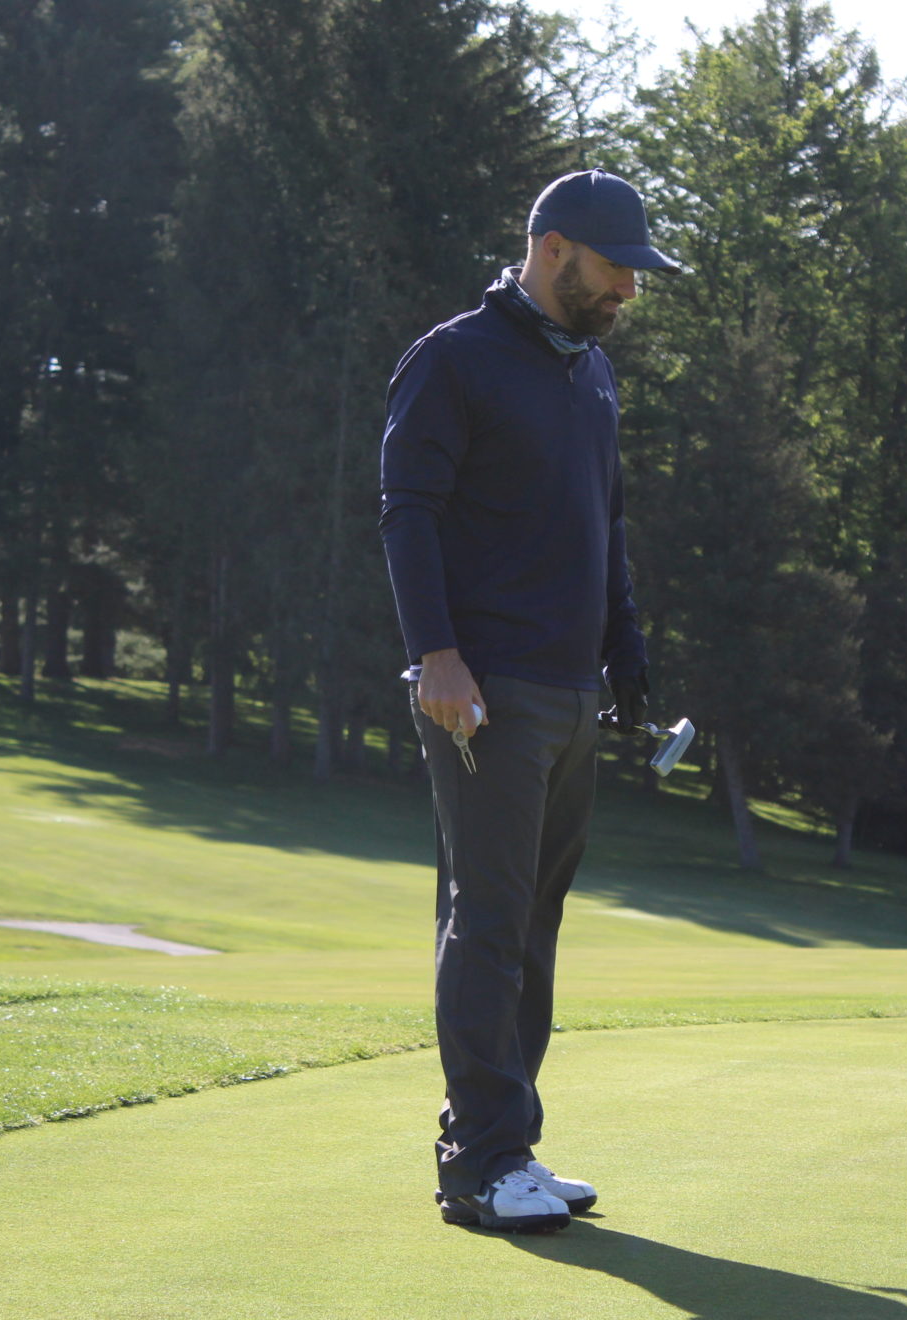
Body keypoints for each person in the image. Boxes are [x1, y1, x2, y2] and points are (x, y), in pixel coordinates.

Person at [378, 169, 683, 1233]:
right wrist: (437, 658)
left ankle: (512, 1149)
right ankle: (479, 1162)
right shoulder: (454, 359)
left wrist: (626, 651)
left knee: (534, 927)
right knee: (489, 921)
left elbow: (605, 529)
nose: (627, 295)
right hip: (484, 692)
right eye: (614, 270)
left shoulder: (589, 373)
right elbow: (406, 513)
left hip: (568, 691)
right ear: (552, 249)